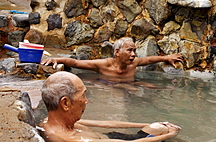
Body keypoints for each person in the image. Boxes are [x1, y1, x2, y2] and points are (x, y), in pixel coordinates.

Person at [39, 71, 216, 142]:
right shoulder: (66, 139)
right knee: (160, 130)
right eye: (83, 96)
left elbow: (107, 124)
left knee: (156, 127)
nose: (87, 101)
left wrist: (145, 124)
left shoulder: (56, 121)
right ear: (65, 103)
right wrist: (166, 135)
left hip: (111, 141)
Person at [41, 37, 183, 82]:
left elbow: (148, 60)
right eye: (129, 51)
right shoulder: (104, 65)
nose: (133, 54)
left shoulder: (133, 63)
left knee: (154, 87)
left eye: (134, 50)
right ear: (117, 52)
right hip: (108, 87)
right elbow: (77, 63)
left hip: (130, 88)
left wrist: (166, 57)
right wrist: (57, 59)